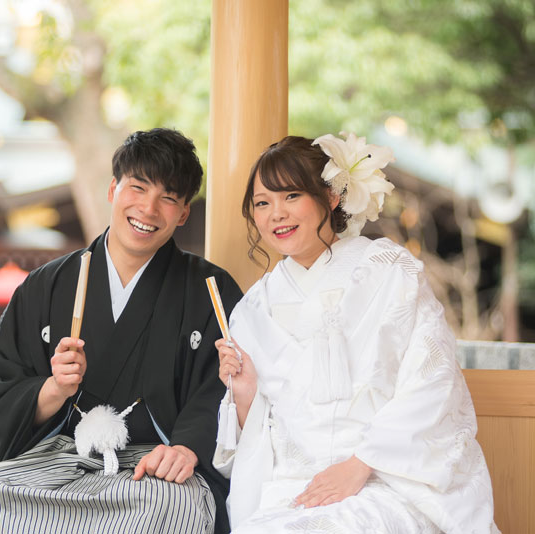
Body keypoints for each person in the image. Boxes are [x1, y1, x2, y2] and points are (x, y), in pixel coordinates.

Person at [0, 128, 243, 534]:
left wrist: (187, 447)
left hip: (154, 468)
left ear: (183, 213)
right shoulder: (47, 285)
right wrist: (54, 388)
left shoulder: (210, 290)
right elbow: (3, 392)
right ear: (113, 189)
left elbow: (225, 388)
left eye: (168, 198)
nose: (148, 209)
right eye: (137, 188)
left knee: (169, 510)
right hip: (57, 458)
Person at [213, 134, 499, 534]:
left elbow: (431, 380)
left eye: (292, 195)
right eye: (262, 203)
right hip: (290, 490)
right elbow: (255, 441)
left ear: (331, 196)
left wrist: (360, 464)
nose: (276, 213)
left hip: (386, 480)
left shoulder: (390, 271)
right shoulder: (252, 311)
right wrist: (245, 396)